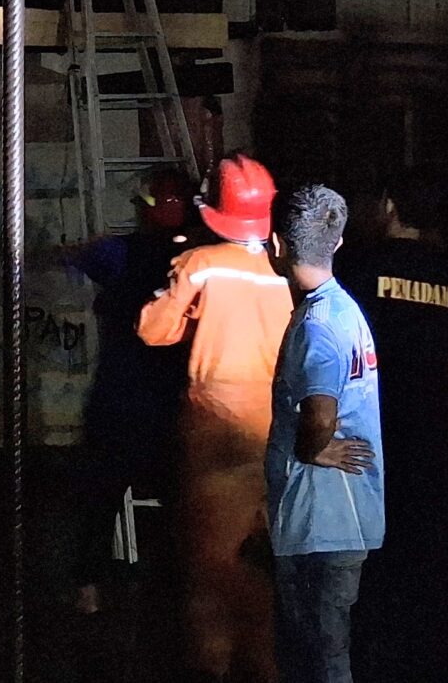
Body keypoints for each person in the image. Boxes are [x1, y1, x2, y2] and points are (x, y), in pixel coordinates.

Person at [141, 154, 294, 683]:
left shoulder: (200, 264)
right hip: (280, 425)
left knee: (212, 564)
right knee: (270, 563)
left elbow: (154, 331)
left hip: (216, 425)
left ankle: (215, 665)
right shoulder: (287, 267)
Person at [336, 170, 448, 678]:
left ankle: (374, 643)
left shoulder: (359, 265)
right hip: (433, 421)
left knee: (372, 543)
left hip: (369, 421)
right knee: (425, 535)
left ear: (390, 205)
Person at [60, 165, 197, 612]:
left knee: (99, 495)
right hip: (178, 402)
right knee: (181, 498)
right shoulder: (202, 261)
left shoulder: (119, 253)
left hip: (121, 399)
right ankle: (176, 591)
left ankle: (88, 588)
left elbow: (78, 256)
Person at [266, 184, 384, 683]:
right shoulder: (344, 309)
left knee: (319, 654)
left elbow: (319, 411)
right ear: (336, 243)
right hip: (345, 514)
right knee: (331, 648)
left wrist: (314, 449)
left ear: (277, 244)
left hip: (319, 519)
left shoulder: (316, 324)